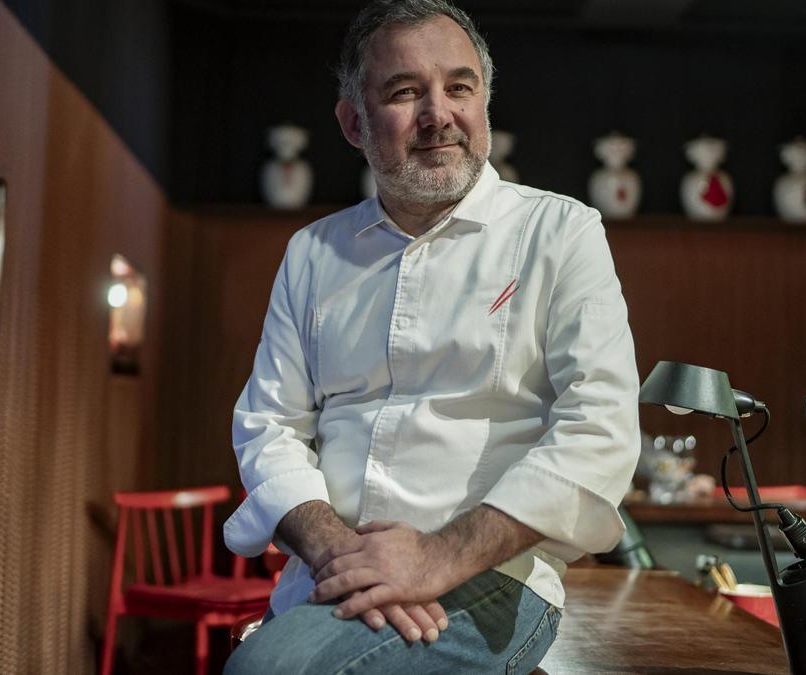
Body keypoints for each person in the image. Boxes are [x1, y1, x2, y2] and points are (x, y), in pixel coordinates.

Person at [223, 1, 640, 672]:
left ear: (485, 105)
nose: (437, 114)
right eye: (404, 91)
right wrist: (338, 549)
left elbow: (600, 430)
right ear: (353, 121)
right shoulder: (311, 253)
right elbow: (267, 425)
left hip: (493, 580)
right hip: (326, 576)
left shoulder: (561, 232)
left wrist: (436, 556)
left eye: (459, 87)